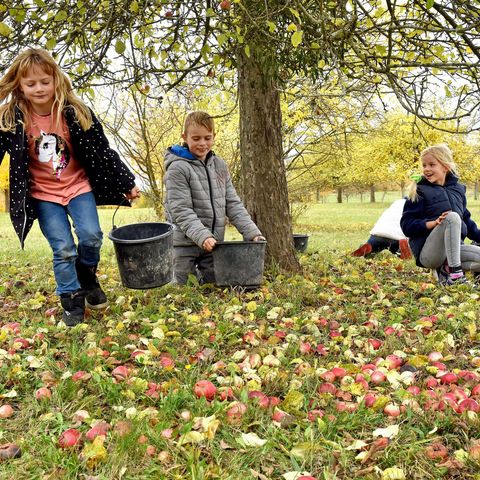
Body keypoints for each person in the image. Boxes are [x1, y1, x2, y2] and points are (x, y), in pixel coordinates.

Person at [0, 48, 140, 326]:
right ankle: (71, 299)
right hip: (43, 195)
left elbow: (103, 150)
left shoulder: (75, 112)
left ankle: (86, 275)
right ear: (20, 86)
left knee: (91, 237)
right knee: (63, 247)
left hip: (78, 187)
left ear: (56, 80)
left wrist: (126, 182)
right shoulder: (12, 119)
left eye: (44, 81)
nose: (39, 88)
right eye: (30, 83)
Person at [164, 111, 265, 285]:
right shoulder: (177, 168)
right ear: (185, 137)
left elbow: (232, 204)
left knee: (215, 287)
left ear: (214, 136)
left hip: (213, 246)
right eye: (196, 139)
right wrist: (202, 236)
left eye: (207, 138)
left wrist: (252, 233)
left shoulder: (219, 166)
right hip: (183, 245)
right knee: (181, 290)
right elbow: (180, 209)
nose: (202, 143)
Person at [400, 144, 480, 286]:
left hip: (453, 250)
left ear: (445, 167)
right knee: (451, 217)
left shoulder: (458, 190)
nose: (426, 169)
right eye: (424, 165)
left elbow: (466, 220)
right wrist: (433, 223)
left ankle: (446, 272)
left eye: (432, 164)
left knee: (456, 217)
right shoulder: (420, 191)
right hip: (429, 254)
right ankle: (455, 276)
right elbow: (407, 225)